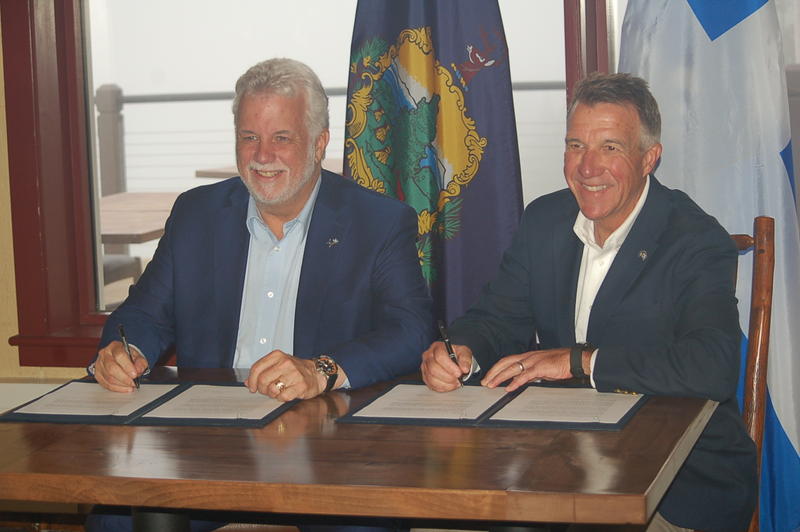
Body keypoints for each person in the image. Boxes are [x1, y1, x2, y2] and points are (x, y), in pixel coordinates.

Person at [87, 57, 431, 532]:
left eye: (281, 138)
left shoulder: (378, 222)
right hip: (209, 445)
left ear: (320, 143)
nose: (262, 155)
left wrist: (321, 370)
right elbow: (144, 312)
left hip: (330, 448)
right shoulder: (196, 214)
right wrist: (125, 349)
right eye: (249, 137)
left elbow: (412, 329)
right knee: (114, 522)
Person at [420, 73, 757, 532]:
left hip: (675, 484)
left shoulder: (694, 240)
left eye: (610, 148)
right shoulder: (545, 219)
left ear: (649, 158)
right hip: (556, 464)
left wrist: (582, 361)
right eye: (575, 145)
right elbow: (497, 318)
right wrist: (461, 349)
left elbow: (712, 367)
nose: (587, 167)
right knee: (436, 519)